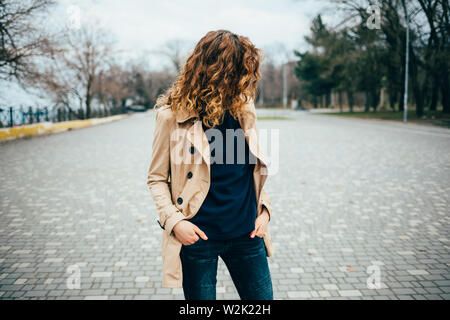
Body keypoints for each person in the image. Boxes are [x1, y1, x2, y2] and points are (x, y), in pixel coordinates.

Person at [147, 30, 274, 300]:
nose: (244, 80)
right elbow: (156, 178)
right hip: (197, 237)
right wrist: (174, 222)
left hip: (247, 233)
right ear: (216, 71)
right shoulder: (171, 116)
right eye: (238, 71)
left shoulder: (244, 108)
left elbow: (254, 169)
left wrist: (265, 212)